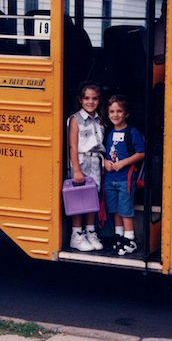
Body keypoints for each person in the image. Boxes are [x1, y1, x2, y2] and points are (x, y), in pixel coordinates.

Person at [104, 95, 145, 255]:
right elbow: (104, 152)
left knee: (125, 209)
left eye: (119, 111)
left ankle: (130, 239)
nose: (115, 115)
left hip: (125, 179)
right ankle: (119, 236)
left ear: (126, 114)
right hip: (110, 179)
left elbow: (141, 153)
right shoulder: (108, 132)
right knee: (114, 209)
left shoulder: (131, 132)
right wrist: (105, 162)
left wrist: (123, 163)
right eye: (112, 111)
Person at [67, 81, 106, 252]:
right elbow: (73, 146)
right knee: (79, 198)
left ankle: (91, 232)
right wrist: (76, 170)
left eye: (94, 98)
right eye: (87, 98)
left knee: (92, 198)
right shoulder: (75, 120)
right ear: (80, 100)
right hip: (81, 162)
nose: (91, 102)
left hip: (95, 162)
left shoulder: (99, 119)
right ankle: (76, 235)